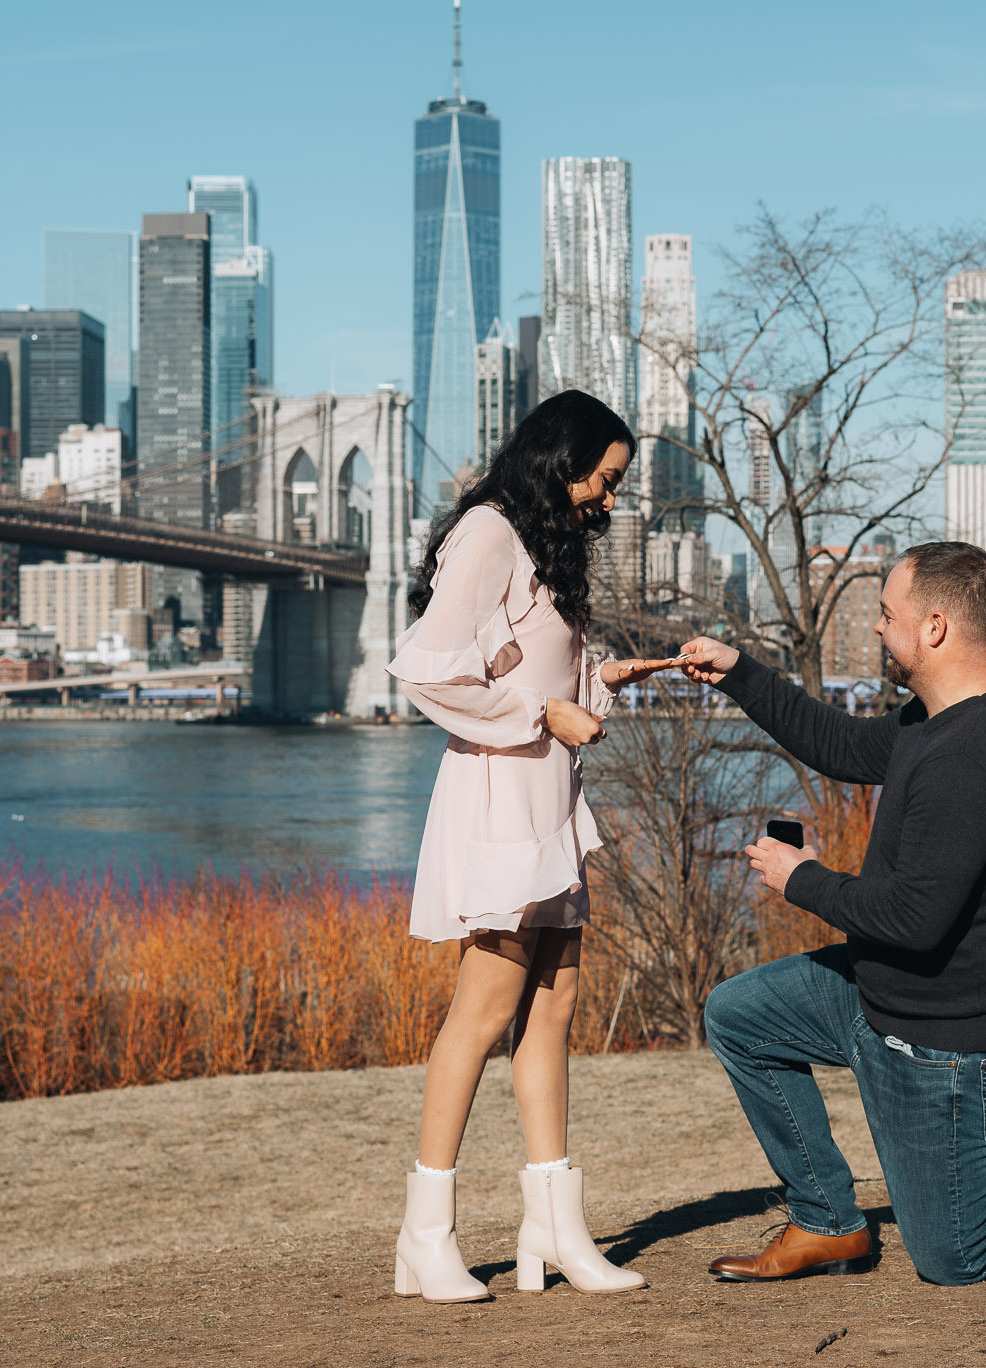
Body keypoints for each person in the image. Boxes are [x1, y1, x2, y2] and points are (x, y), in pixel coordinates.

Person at [675, 542, 986, 1287]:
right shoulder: (932, 720)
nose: (879, 630)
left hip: (946, 1039)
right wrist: (741, 674)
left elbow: (915, 918)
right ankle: (826, 1220)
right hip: (876, 994)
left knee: (955, 1257)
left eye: (888, 616)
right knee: (739, 1015)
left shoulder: (978, 754)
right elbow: (841, 743)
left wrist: (802, 879)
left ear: (937, 627)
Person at [386, 389, 679, 1303]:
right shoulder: (486, 533)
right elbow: (428, 668)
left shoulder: (540, 542)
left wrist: (602, 676)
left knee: (552, 1010)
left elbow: (533, 661)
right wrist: (540, 712)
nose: (610, 497)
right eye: (606, 477)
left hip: (551, 794)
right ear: (565, 457)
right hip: (501, 796)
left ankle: (553, 1230)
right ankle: (425, 1235)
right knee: (482, 1015)